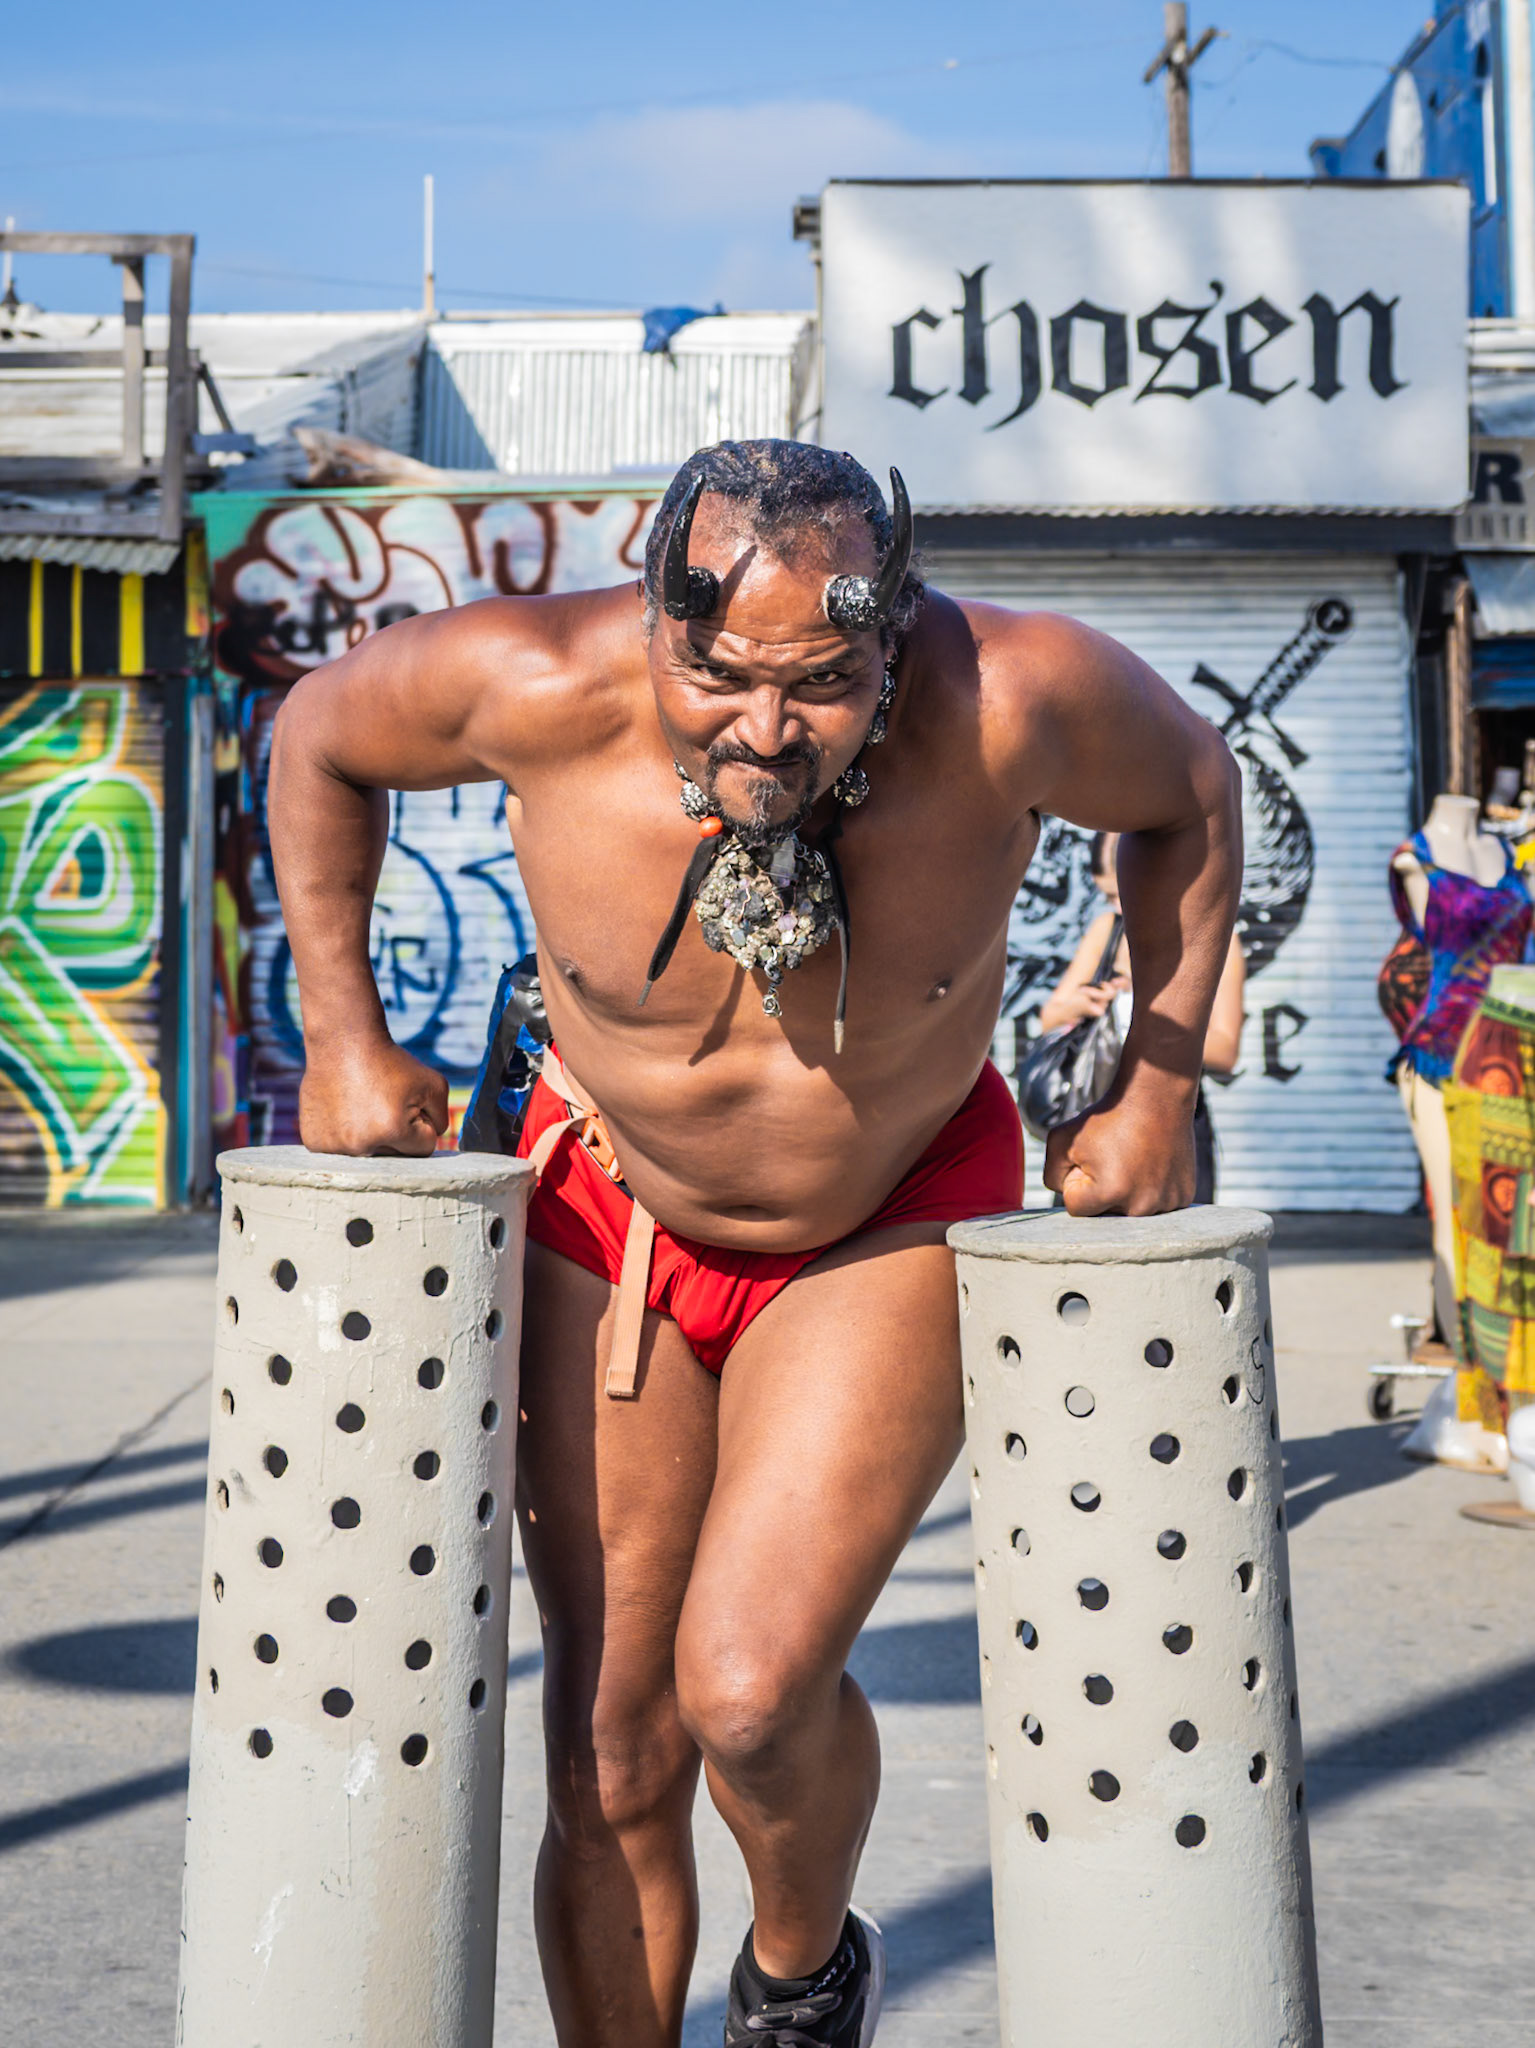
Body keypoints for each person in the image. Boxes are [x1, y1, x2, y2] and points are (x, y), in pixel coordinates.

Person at [268, 439, 1241, 2048]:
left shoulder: (1011, 699)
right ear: (651, 616)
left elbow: (1192, 792)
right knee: (613, 1737)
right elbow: (316, 738)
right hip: (608, 1211)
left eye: (824, 684)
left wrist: (1154, 1080)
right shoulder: (530, 678)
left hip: (887, 1210)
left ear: (895, 637)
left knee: (748, 1689)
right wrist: (340, 1033)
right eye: (715, 673)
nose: (763, 730)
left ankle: (799, 1981)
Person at [1038, 829, 1245, 1202]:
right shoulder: (1106, 931)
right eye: (1107, 896)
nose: (1119, 907)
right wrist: (1087, 1004)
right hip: (1094, 1115)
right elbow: (1050, 1017)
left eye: (1124, 893)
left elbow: (1225, 1052)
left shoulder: (1220, 942)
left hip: (1172, 1119)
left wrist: (1139, 1019)